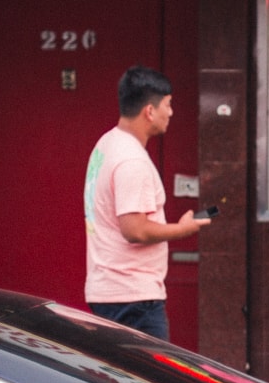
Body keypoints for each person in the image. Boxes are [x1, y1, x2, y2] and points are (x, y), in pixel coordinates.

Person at [83, 65, 209, 339]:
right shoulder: (132, 160)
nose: (171, 112)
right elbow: (135, 230)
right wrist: (183, 229)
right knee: (142, 382)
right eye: (168, 105)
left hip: (113, 292)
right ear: (149, 111)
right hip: (133, 298)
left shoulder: (107, 144)